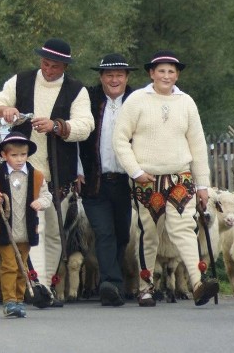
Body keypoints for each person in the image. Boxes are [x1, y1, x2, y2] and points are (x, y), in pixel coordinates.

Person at [112, 50, 219, 307]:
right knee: (149, 233)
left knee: (184, 228)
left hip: (179, 176)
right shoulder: (137, 100)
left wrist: (202, 184)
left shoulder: (187, 103)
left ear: (177, 74)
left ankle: (197, 282)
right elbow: (119, 139)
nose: (166, 76)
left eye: (171, 71)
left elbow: (198, 145)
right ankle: (146, 287)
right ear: (151, 73)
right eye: (161, 71)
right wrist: (135, 171)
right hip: (147, 179)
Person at [0, 38, 94, 304]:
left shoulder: (77, 91)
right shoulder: (20, 80)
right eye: (45, 64)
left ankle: (45, 285)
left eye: (55, 66)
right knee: (29, 229)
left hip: (58, 171)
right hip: (22, 170)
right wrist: (6, 110)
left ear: (65, 67)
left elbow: (85, 125)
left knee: (53, 230)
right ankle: (33, 283)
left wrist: (57, 126)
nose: (48, 70)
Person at [78, 53, 136, 307]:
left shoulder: (137, 101)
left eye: (119, 75)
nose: (114, 80)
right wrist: (78, 170)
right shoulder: (88, 100)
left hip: (126, 181)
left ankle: (117, 280)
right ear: (101, 77)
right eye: (109, 75)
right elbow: (78, 138)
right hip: (95, 181)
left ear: (127, 77)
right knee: (104, 232)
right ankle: (109, 284)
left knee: (123, 233)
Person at [0, 132, 52, 319]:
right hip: (5, 228)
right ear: (5, 156)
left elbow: (46, 195)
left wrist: (41, 203)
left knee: (22, 265)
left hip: (26, 229)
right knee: (9, 264)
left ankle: (18, 299)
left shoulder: (36, 175)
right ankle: (9, 301)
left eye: (23, 155)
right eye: (14, 155)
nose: (19, 159)